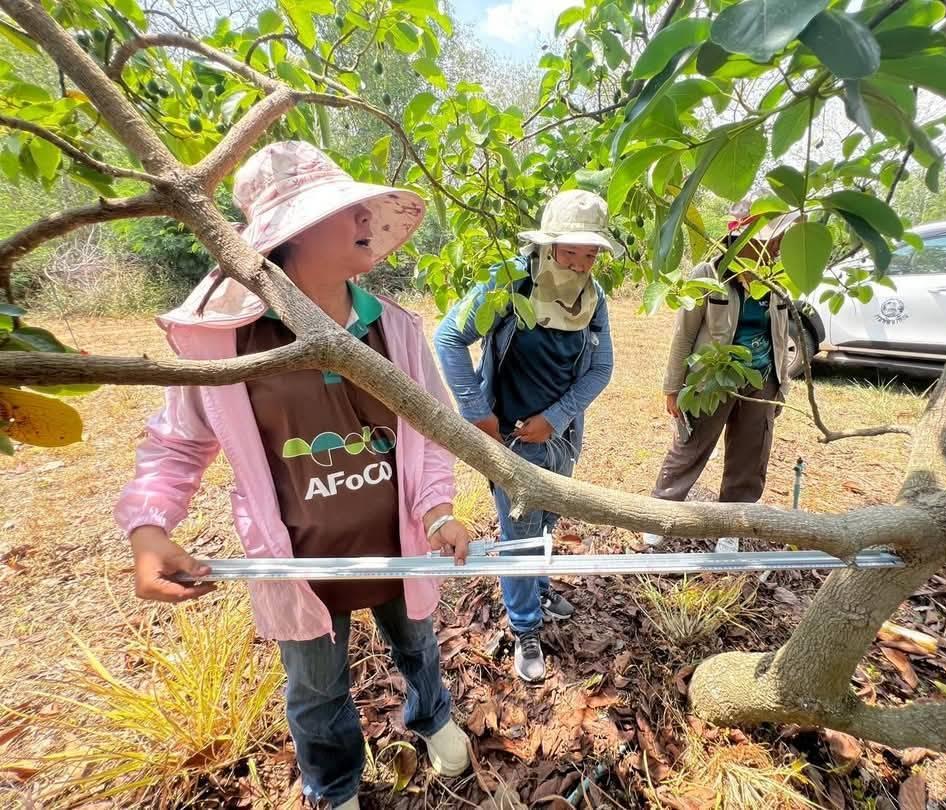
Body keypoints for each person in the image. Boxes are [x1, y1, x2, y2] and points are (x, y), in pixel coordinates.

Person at [115, 142, 471, 810]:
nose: (367, 213)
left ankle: (430, 717)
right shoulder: (226, 343)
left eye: (363, 204)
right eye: (345, 209)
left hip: (398, 542)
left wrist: (437, 510)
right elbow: (178, 443)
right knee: (315, 684)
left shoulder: (392, 329)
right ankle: (334, 784)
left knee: (418, 644)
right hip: (300, 559)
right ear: (291, 234)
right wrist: (148, 525)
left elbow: (432, 431)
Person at [433, 190, 616, 683]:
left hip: (560, 436)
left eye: (589, 254)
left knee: (548, 518)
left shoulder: (593, 298)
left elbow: (601, 368)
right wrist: (477, 413)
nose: (579, 264)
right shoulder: (509, 282)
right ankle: (525, 626)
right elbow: (448, 338)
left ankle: (536, 587)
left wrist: (557, 417)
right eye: (569, 252)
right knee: (518, 531)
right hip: (510, 437)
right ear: (547, 245)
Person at [643, 208, 799, 552]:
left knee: (751, 454)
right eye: (767, 240)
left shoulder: (778, 280)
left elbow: (782, 334)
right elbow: (683, 335)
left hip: (762, 380)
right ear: (737, 237)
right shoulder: (707, 274)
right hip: (711, 379)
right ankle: (659, 514)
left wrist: (782, 384)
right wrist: (673, 387)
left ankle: (732, 525)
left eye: (776, 240)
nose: (773, 247)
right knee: (691, 446)